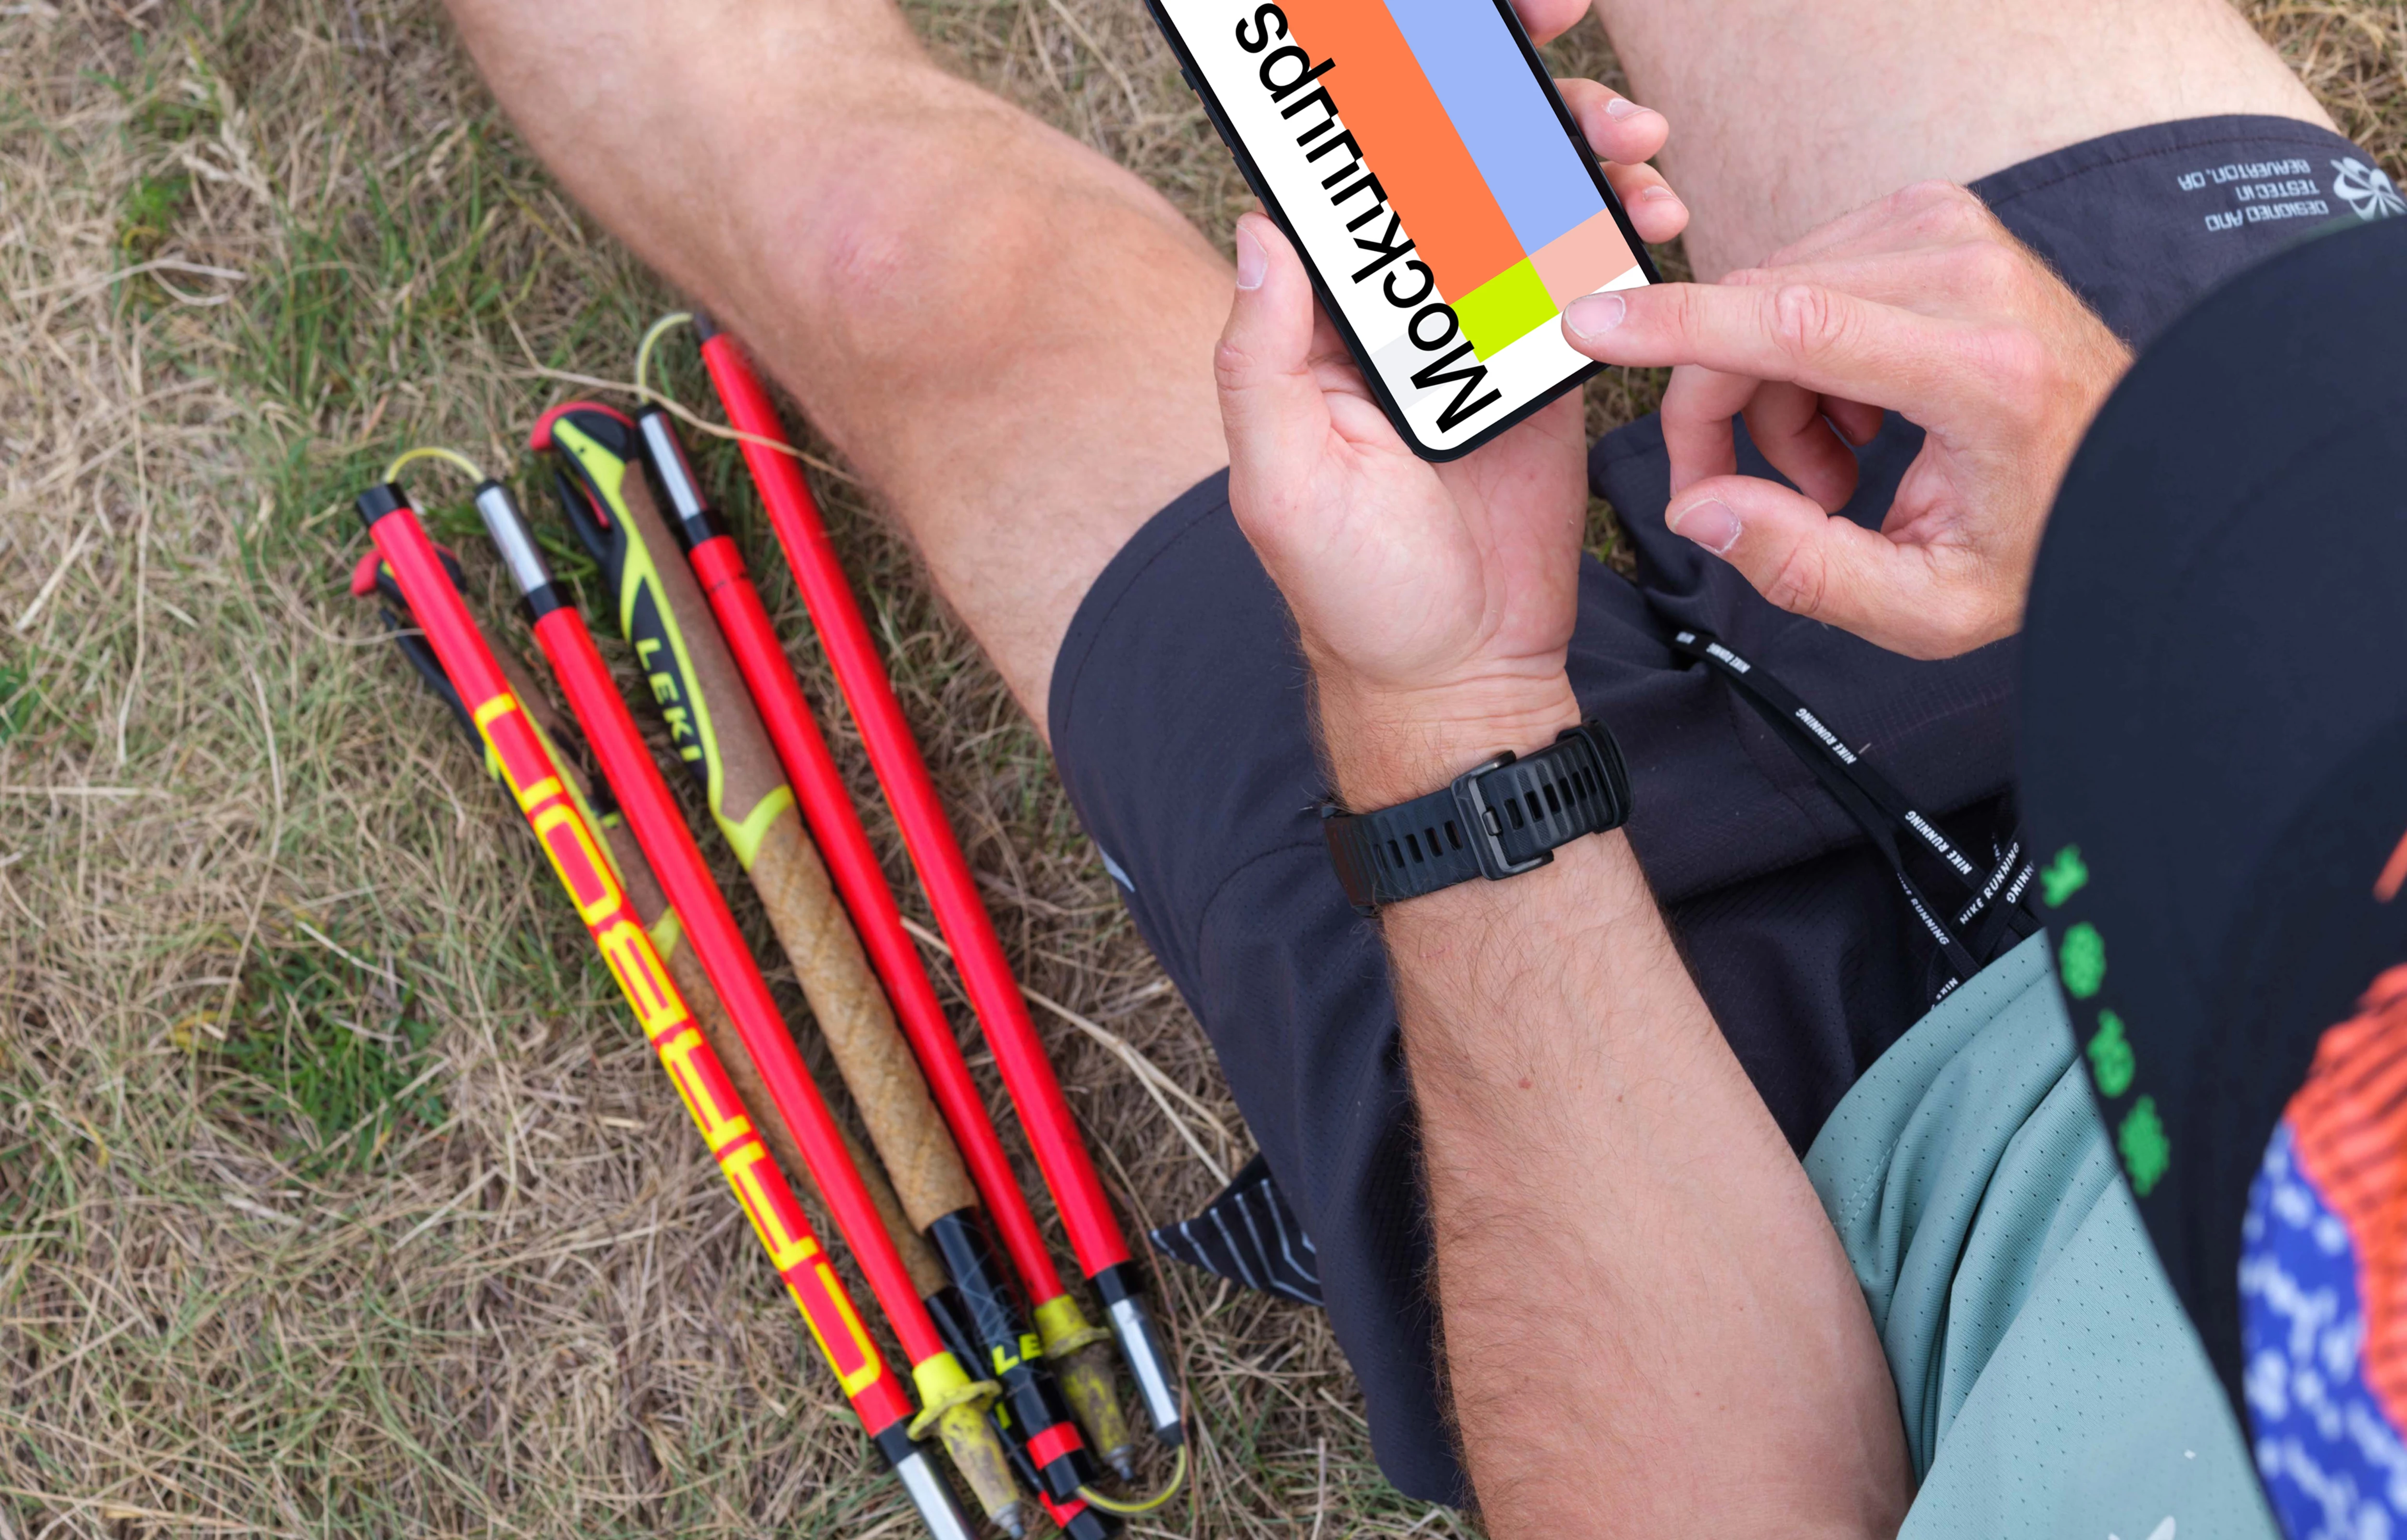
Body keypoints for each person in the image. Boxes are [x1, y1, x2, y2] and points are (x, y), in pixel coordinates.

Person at [435, 0, 2399, 1530]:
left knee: (901, 258)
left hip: (1757, 1196)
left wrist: (1451, 706)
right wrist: (2192, 484)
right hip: (2308, 640)